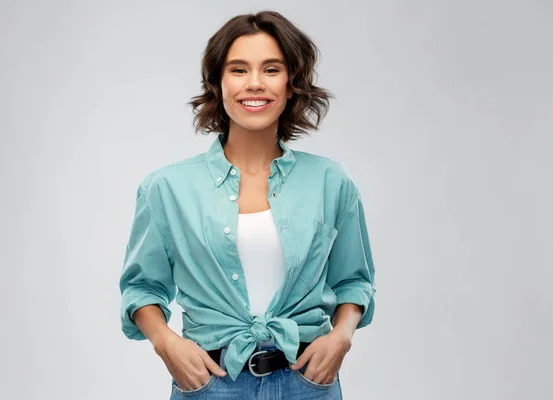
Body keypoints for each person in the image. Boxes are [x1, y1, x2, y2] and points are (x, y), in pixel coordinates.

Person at [119, 10, 376, 399]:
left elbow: (354, 281)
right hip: (211, 384)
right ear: (217, 84)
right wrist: (166, 344)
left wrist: (342, 337)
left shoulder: (331, 183)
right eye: (238, 70)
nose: (254, 83)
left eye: (271, 69)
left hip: (307, 382)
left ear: (292, 84)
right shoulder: (166, 188)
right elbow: (141, 288)